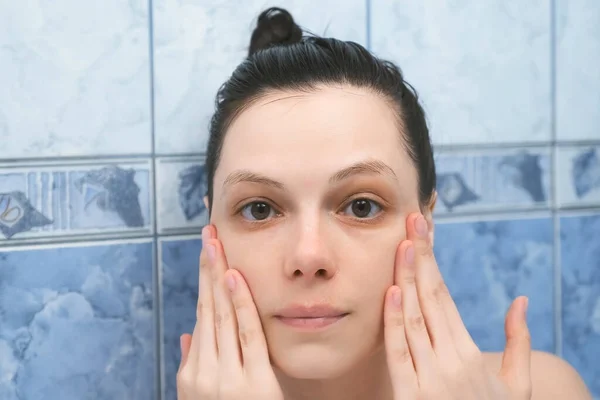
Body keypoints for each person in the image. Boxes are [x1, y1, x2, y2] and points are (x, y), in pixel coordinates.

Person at [176, 7, 592, 400]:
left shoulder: (543, 390)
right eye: (259, 210)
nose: (308, 256)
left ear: (426, 219)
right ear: (210, 225)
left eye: (361, 207)